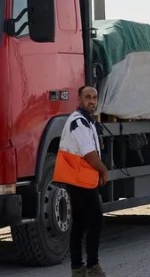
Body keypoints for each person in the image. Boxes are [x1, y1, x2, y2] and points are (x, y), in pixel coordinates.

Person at [53, 86, 109, 277]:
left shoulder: (86, 120)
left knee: (79, 223)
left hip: (78, 178)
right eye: (87, 97)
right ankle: (92, 266)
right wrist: (103, 170)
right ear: (79, 99)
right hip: (80, 180)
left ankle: (77, 269)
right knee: (96, 220)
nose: (92, 101)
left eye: (94, 97)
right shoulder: (79, 123)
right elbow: (90, 155)